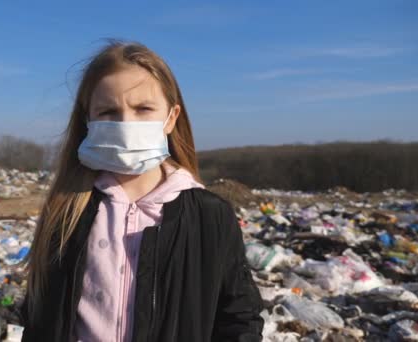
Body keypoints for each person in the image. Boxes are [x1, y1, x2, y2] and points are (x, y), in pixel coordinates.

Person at [20, 39, 264, 342]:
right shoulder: (68, 209)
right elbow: (40, 315)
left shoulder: (209, 215)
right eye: (108, 111)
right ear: (88, 121)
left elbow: (238, 317)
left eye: (143, 109)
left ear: (171, 118)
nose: (126, 124)